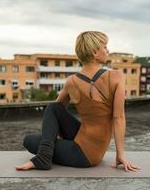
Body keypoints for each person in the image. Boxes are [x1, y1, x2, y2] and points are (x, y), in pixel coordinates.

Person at [15, 31, 140, 172]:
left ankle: (43, 158)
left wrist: (51, 140)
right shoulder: (116, 77)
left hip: (83, 155)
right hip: (93, 147)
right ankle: (47, 154)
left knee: (29, 140)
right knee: (53, 108)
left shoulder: (72, 81)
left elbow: (53, 114)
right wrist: (120, 154)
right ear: (94, 52)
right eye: (105, 47)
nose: (108, 50)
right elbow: (118, 118)